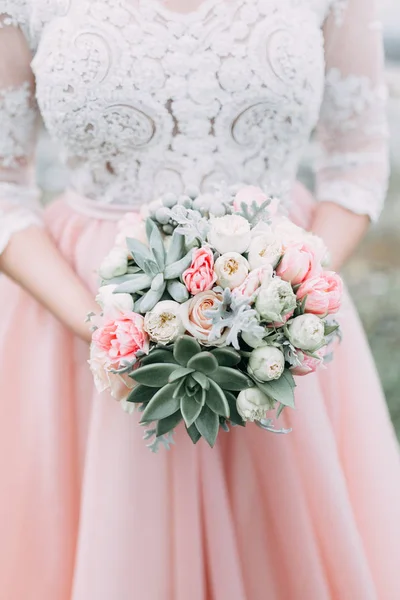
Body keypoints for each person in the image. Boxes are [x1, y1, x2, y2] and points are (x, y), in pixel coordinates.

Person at [0, 0, 399, 598]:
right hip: (81, 317)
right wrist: (101, 327)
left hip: (277, 319)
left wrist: (281, 295)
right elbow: (5, 184)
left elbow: (356, 164)